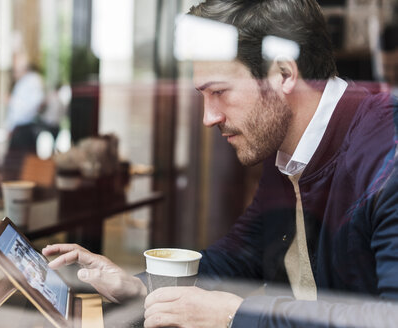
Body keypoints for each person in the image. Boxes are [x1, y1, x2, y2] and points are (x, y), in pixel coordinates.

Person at [43, 0, 398, 327]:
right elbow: (238, 257)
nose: (208, 118)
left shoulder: (387, 156)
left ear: (284, 74)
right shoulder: (290, 150)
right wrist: (138, 287)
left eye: (219, 92)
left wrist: (233, 316)